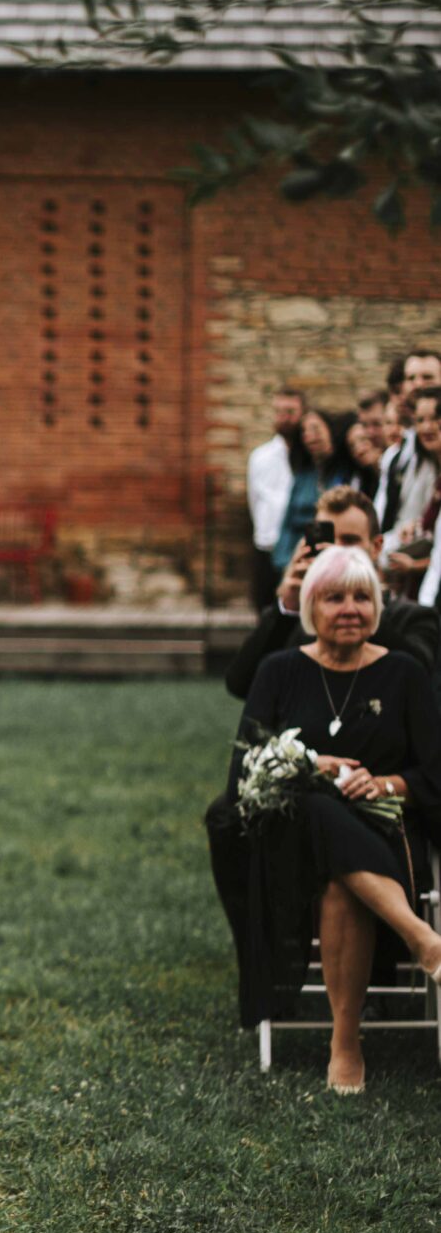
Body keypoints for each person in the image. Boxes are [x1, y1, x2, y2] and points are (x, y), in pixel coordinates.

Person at [228, 544, 441, 1091]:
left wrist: (387, 783)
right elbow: (243, 769)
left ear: (376, 608)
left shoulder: (405, 673)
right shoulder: (278, 671)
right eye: (334, 598)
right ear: (309, 607)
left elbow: (435, 773)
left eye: (361, 598)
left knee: (341, 885)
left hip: (383, 831)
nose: (350, 609)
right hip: (291, 845)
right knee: (317, 800)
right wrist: (306, 766)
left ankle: (345, 1046)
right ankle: (421, 937)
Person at [224, 486, 440, 699]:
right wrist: (288, 608)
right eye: (327, 542)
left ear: (376, 547)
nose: (335, 552)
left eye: (349, 541)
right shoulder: (299, 619)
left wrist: (361, 612)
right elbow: (241, 685)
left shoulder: (413, 618)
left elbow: (421, 683)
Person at [271, 405, 349, 574]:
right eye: (304, 432)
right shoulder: (303, 476)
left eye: (315, 428)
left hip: (333, 560)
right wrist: (283, 561)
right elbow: (288, 521)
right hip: (298, 557)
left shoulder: (346, 472)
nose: (309, 436)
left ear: (330, 430)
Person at [247, 384, 304, 608]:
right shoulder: (260, 457)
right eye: (279, 411)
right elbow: (254, 502)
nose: (284, 418)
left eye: (290, 412)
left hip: (299, 548)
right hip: (267, 546)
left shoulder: (308, 457)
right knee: (265, 609)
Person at [385, 382, 441, 557]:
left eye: (435, 418)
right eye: (420, 420)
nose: (427, 427)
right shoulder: (425, 466)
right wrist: (416, 526)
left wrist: (415, 566)